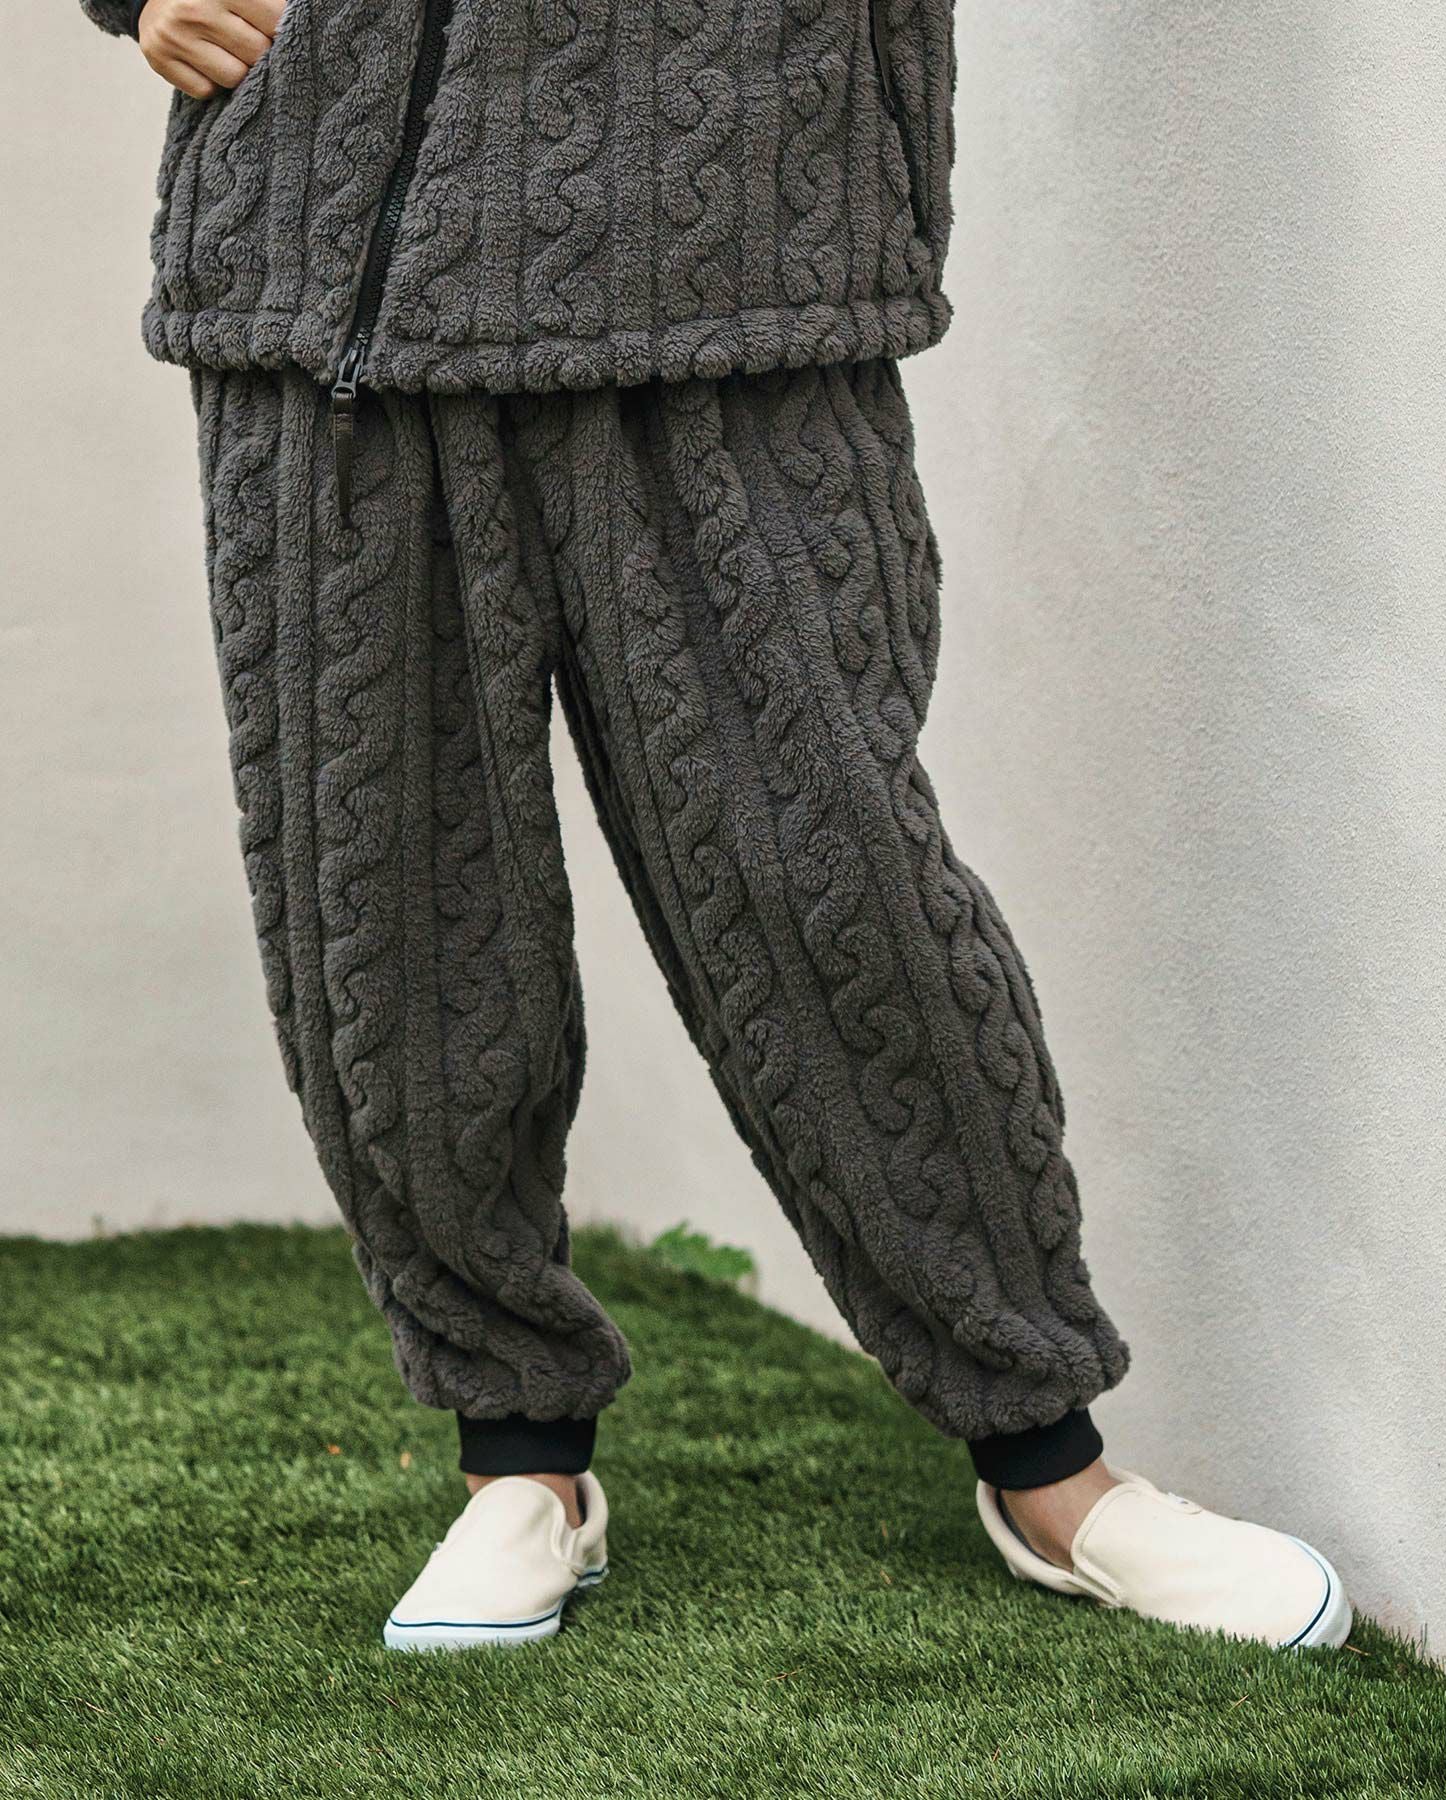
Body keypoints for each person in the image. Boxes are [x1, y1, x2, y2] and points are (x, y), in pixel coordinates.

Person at [82, 0, 1350, 1655]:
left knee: (829, 880)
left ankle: (1051, 1461)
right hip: (324, 252)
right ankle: (518, 1461)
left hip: (733, 227)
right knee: (382, 918)